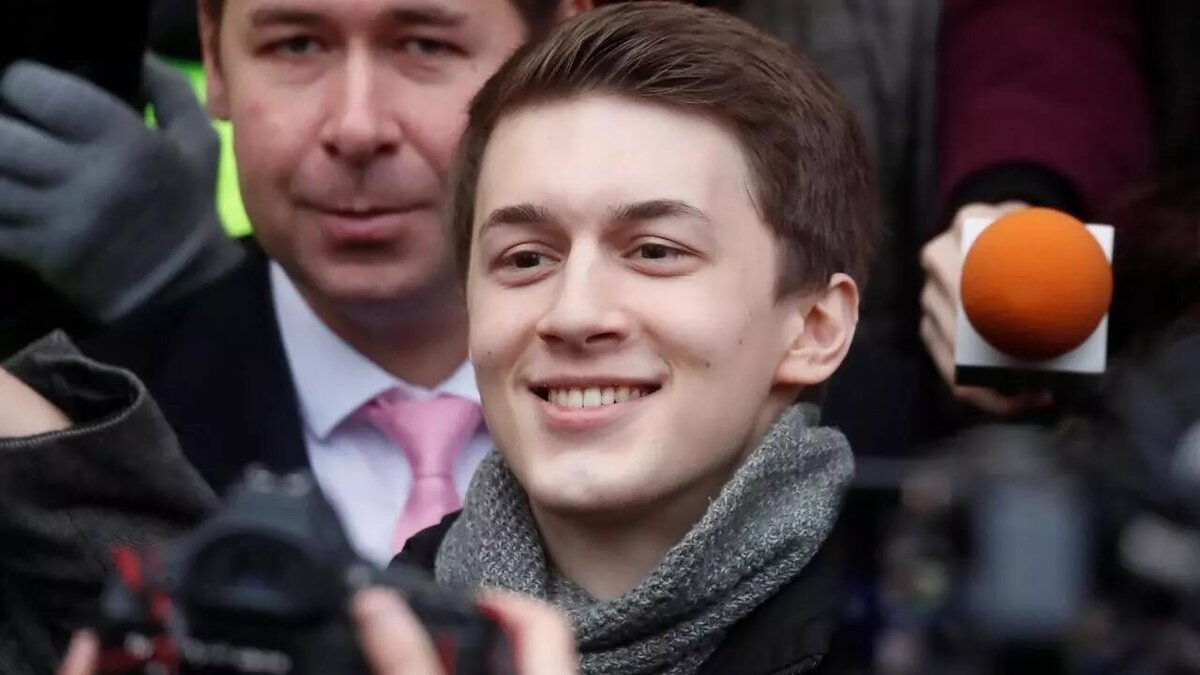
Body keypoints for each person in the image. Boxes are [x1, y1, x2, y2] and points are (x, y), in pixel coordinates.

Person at [0, 2, 874, 673]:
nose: (574, 312)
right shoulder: (382, 612)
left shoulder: (917, 610)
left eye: (655, 251)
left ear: (816, 326)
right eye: (525, 258)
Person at [79, 0, 590, 566]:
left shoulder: (670, 415)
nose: (356, 128)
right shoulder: (82, 440)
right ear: (214, 61)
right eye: (296, 45)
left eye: (425, 45)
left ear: (557, 54)